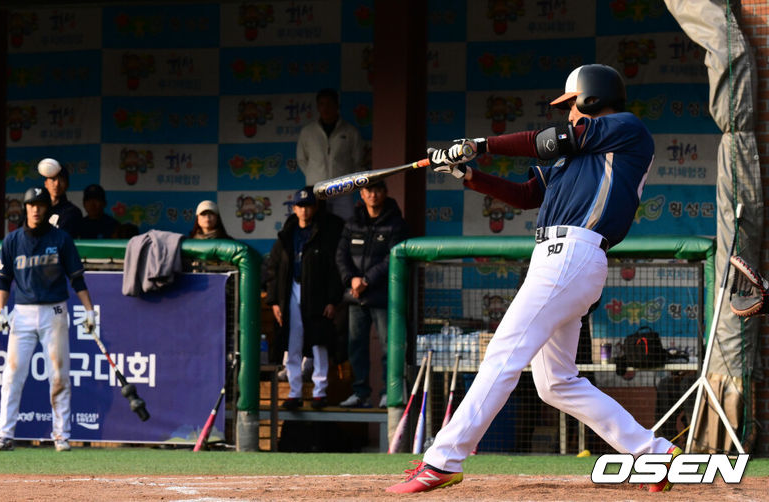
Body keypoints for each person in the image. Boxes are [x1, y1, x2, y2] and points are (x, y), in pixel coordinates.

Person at [387, 64, 681, 493]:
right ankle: (655, 454)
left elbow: (549, 141)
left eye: (571, 104)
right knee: (556, 383)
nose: (567, 114)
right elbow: (527, 195)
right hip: (560, 258)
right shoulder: (577, 153)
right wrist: (469, 175)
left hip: (574, 252)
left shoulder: (624, 128)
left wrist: (477, 145)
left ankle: (444, 459)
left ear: (592, 97)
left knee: (504, 353)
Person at [0, 187, 97, 452]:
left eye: (40, 204)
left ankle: (61, 436)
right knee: (12, 375)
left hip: (55, 312)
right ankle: (5, 435)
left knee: (59, 376)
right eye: (31, 205)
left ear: (48, 208)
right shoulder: (12, 240)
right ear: (25, 208)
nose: (35, 209)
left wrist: (89, 310)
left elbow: (77, 278)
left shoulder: (61, 239)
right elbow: (4, 280)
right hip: (23, 313)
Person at [264, 187, 344, 410]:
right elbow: (273, 269)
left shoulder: (325, 232)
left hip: (316, 294)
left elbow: (334, 270)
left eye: (308, 206)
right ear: (294, 208)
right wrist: (274, 301)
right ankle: (294, 392)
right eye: (300, 206)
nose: (304, 211)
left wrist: (332, 299)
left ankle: (320, 392)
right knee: (292, 344)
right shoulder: (288, 234)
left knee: (319, 343)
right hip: (291, 291)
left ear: (315, 207)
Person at [335, 181, 408, 409]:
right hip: (356, 296)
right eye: (368, 191)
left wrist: (367, 280)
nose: (373, 195)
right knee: (356, 346)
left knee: (389, 346)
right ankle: (360, 393)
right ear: (362, 194)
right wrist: (352, 280)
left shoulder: (396, 222)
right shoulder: (353, 223)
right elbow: (341, 256)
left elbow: (392, 257)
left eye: (377, 190)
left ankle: (389, 393)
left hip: (384, 296)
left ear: (385, 192)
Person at [296, 88, 364, 221]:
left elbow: (358, 160)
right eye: (322, 104)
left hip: (342, 191)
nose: (325, 108)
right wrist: (315, 177)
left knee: (345, 227)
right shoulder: (308, 132)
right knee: (317, 228)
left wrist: (345, 183)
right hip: (316, 192)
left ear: (337, 106)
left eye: (329, 104)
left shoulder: (350, 131)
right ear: (317, 107)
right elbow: (302, 160)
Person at [38, 158, 82, 235]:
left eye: (61, 180)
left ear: (67, 184)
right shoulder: (36, 210)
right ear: (46, 183)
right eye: (53, 179)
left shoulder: (73, 212)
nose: (57, 184)